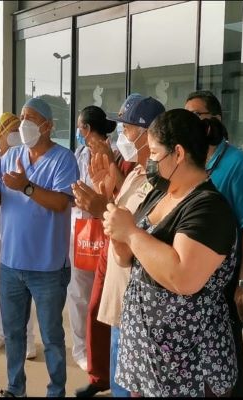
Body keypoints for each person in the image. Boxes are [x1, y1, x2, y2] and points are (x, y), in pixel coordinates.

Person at [104, 109, 238, 397]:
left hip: (188, 364)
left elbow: (183, 277)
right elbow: (127, 257)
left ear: (177, 153)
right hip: (147, 356)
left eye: (154, 152)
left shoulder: (208, 208)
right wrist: (118, 233)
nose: (149, 160)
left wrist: (130, 232)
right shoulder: (161, 192)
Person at [0, 97, 79, 397]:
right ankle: (15, 389)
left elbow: (61, 203)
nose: (23, 122)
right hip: (11, 264)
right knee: (14, 334)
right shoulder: (11, 155)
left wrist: (27, 187)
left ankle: (56, 392)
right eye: (22, 116)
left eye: (31, 117)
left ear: (48, 125)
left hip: (48, 268)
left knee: (52, 336)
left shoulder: (64, 159)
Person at [185, 90, 243, 397]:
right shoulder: (191, 160)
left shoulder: (237, 163)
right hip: (196, 280)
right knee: (203, 359)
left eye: (197, 116)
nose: (190, 123)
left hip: (227, 281)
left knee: (228, 356)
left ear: (214, 121)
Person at [82, 95, 163, 398]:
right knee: (120, 387)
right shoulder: (136, 173)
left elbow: (137, 239)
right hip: (120, 306)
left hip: (139, 313)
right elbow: (116, 220)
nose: (122, 136)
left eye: (129, 129)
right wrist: (105, 196)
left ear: (149, 133)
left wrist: (102, 205)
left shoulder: (163, 184)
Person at [67, 105, 117, 374]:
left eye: (79, 127)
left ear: (85, 128)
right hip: (82, 232)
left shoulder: (115, 153)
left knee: (103, 295)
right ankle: (81, 348)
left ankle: (102, 349)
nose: (78, 132)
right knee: (78, 293)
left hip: (107, 231)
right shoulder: (79, 154)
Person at [0, 112, 37, 357]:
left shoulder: (25, 155)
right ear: (0, 133)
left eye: (19, 129)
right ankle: (2, 331)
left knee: (27, 285)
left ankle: (29, 337)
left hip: (19, 229)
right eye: (12, 130)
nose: (17, 134)